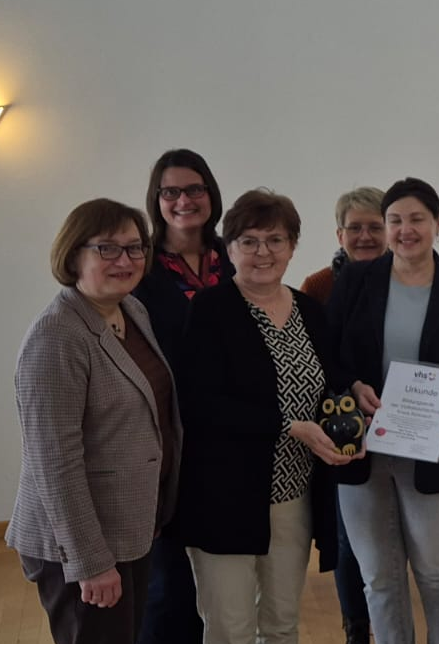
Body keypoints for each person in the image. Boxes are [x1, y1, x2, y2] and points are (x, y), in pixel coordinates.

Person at [326, 177, 439, 644]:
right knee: (379, 578)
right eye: (395, 220)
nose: (405, 230)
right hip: (363, 450)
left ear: (438, 223)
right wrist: (354, 386)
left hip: (438, 451)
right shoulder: (355, 282)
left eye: (417, 219)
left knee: (437, 572)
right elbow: (327, 355)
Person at [174, 189, 352, 643]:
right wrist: (287, 427)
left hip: (294, 496)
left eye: (275, 240)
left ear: (292, 246)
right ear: (228, 248)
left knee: (281, 623)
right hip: (223, 498)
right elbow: (199, 404)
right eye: (249, 241)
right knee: (230, 629)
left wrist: (353, 400)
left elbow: (329, 384)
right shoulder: (209, 310)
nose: (263, 252)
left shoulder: (309, 310)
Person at [6, 200, 180, 643]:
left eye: (135, 247)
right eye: (107, 248)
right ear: (73, 255)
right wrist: (91, 562)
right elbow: (55, 463)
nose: (125, 260)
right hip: (83, 543)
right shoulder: (57, 335)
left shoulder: (131, 311)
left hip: (130, 525)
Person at [132, 147, 231, 643]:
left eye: (194, 189)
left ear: (210, 193)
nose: (183, 200)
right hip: (168, 436)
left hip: (230, 433)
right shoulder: (139, 265)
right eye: (170, 191)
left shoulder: (235, 256)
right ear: (156, 199)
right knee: (168, 584)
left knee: (224, 579)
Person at [298, 185, 385, 644]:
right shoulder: (317, 287)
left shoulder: (413, 281)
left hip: (402, 424)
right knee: (349, 538)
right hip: (343, 430)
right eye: (355, 228)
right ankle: (356, 626)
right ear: (339, 234)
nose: (365, 236)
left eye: (375, 226)